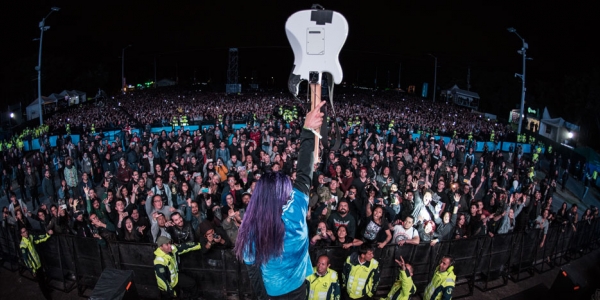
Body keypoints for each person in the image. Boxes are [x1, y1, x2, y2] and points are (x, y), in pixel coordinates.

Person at [234, 101, 325, 299]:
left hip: (272, 292)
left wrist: (262, 297)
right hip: (300, 287)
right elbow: (304, 173)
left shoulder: (251, 228)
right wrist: (308, 129)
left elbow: (253, 272)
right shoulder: (296, 210)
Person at [20, 227, 54, 300]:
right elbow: (26, 260)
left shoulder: (31, 237)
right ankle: (47, 296)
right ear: (21, 234)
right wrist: (32, 270)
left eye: (25, 231)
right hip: (35, 267)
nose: (25, 233)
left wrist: (48, 234)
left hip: (38, 263)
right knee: (41, 283)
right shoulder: (23, 245)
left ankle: (47, 290)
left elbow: (39, 238)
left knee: (43, 279)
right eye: (23, 232)